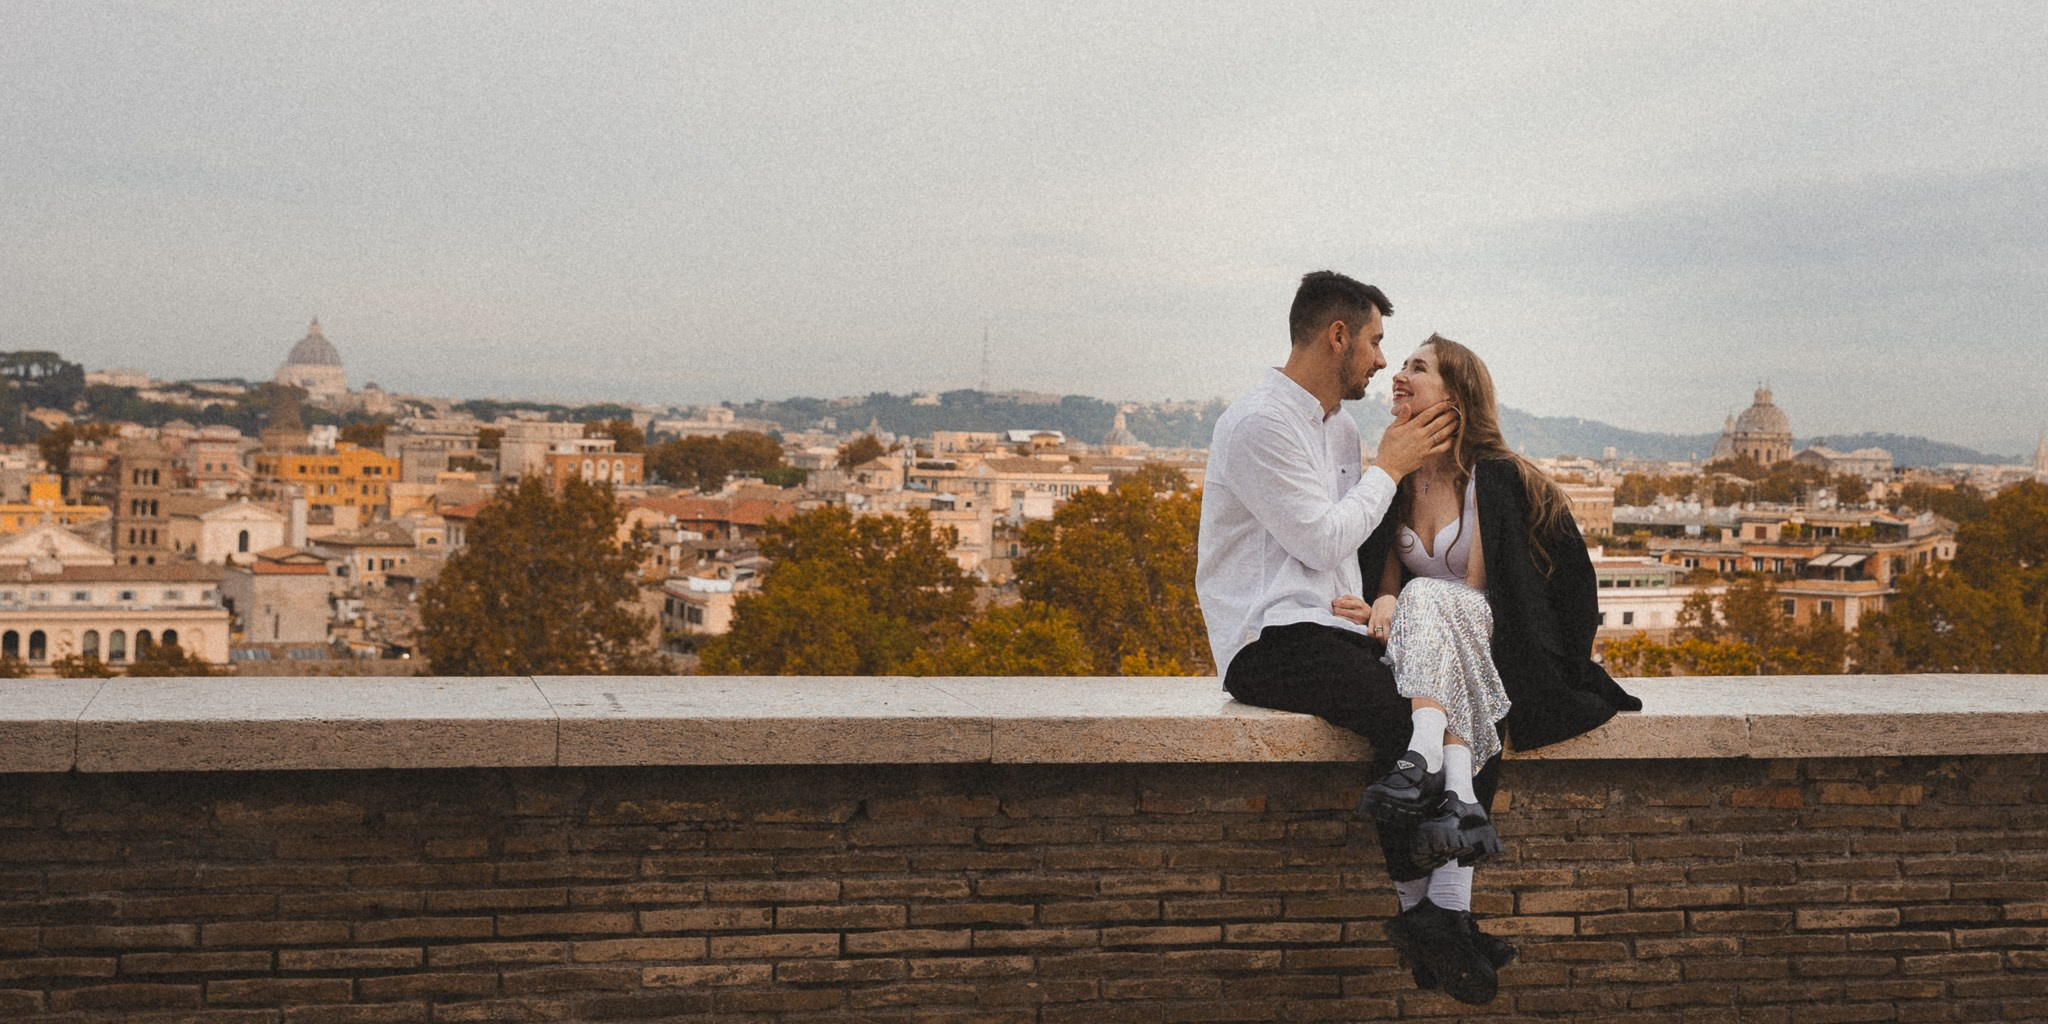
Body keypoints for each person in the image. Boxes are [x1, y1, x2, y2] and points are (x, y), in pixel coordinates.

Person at [1197, 272, 1500, 999]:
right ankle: (1423, 919)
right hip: (1268, 639)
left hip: (1332, 629)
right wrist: (1388, 469)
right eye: (1373, 342)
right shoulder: (1258, 424)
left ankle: (1445, 917)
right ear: (1338, 336)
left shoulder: (1339, 427)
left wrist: (1376, 607)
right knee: (1407, 725)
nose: (1379, 361)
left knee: (1467, 712)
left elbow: (1348, 552)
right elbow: (1315, 535)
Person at [1336, 333, 1642, 1001]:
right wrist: (1384, 603)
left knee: (1436, 613)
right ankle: (1444, 915)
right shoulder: (1391, 478)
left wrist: (1405, 602)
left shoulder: (1498, 477)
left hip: (1498, 641)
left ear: (1455, 395)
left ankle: (1424, 799)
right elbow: (1383, 578)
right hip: (1431, 661)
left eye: (1418, 367)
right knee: (1426, 655)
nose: (1400, 374)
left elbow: (1483, 591)